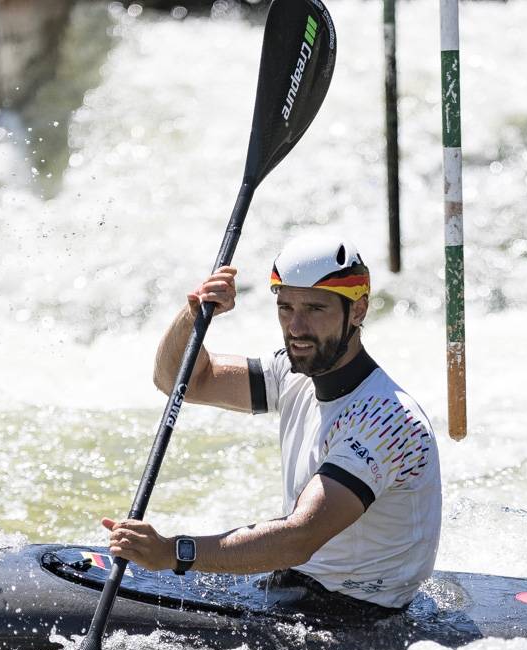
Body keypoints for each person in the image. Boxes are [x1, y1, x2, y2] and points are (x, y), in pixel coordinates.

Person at [101, 231, 441, 617]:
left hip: (359, 612)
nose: (296, 328)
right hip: (295, 585)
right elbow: (181, 381)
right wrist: (195, 314)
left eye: (315, 309)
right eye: (285, 308)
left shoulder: (386, 420)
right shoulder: (293, 373)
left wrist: (173, 552)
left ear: (358, 310)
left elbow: (300, 536)